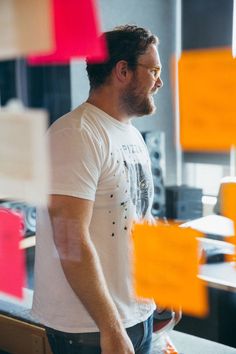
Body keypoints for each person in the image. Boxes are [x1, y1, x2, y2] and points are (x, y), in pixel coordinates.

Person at [32, 24, 163, 354]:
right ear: (123, 71)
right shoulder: (75, 134)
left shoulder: (129, 133)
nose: (159, 82)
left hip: (136, 314)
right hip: (90, 330)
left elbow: (139, 220)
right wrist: (112, 329)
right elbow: (70, 239)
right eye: (154, 71)